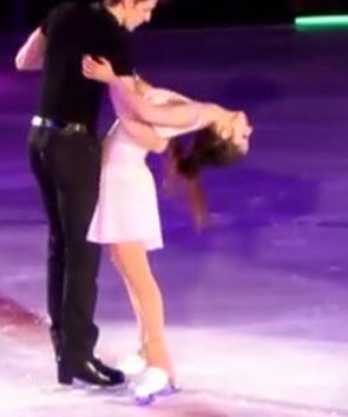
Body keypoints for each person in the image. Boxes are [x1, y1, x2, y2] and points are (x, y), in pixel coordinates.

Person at [14, 0, 201, 387]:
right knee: (83, 251)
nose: (147, 19)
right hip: (75, 146)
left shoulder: (62, 13)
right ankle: (78, 357)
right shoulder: (113, 37)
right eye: (147, 9)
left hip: (38, 140)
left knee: (59, 244)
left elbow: (24, 60)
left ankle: (65, 348)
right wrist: (179, 122)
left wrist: (62, 58)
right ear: (129, 0)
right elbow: (133, 101)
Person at [81, 57, 252, 404]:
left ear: (222, 134)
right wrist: (123, 72)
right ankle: (147, 351)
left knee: (141, 279)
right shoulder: (201, 110)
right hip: (121, 179)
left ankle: (162, 367)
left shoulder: (197, 115)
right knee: (131, 273)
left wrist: (112, 79)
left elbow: (141, 112)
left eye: (242, 137)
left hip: (124, 183)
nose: (249, 130)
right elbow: (144, 95)